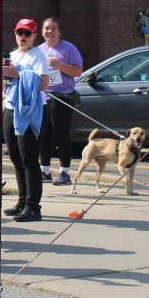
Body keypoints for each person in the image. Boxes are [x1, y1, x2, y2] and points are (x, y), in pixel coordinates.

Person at [2, 19, 49, 222]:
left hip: (30, 111)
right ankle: (22, 201)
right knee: (16, 159)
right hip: (11, 108)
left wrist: (18, 74)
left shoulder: (37, 55)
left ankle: (33, 207)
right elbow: (5, 84)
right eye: (19, 32)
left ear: (34, 35)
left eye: (27, 33)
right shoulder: (12, 55)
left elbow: (44, 84)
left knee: (29, 160)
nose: (22, 37)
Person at [36, 18, 84, 186]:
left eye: (53, 28)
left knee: (61, 133)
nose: (50, 31)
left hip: (62, 96)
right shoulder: (38, 50)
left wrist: (59, 65)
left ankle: (65, 172)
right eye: (47, 28)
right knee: (44, 135)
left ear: (59, 32)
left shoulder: (69, 48)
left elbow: (77, 71)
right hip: (44, 96)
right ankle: (45, 171)